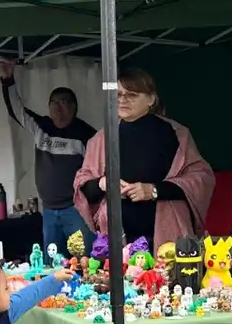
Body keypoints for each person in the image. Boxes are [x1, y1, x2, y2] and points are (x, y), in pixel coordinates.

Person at [72, 68, 215, 250]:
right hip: (117, 242)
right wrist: (103, 183)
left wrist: (154, 191)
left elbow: (200, 179)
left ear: (151, 99)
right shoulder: (101, 139)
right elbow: (84, 187)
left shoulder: (175, 135)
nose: (123, 100)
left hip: (167, 236)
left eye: (131, 95)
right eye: (118, 94)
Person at [0, 61, 96, 251]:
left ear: (75, 107)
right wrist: (7, 80)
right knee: (52, 266)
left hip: (76, 211)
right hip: (49, 211)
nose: (58, 109)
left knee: (86, 261)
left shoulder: (87, 136)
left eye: (64, 103)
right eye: (54, 103)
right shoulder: (41, 128)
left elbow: (97, 175)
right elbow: (17, 111)